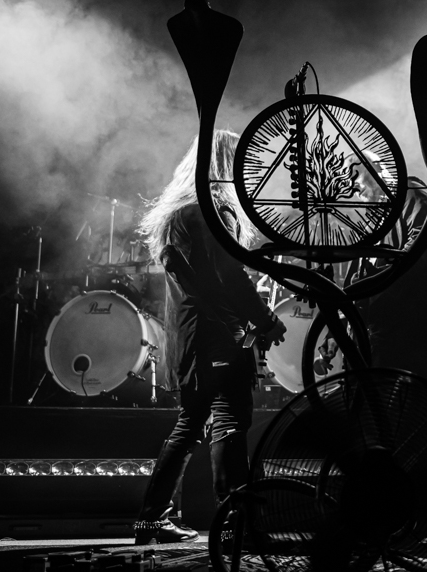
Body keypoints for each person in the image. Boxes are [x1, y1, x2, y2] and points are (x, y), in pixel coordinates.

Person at [134, 130, 287, 545]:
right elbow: (230, 278)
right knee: (230, 422)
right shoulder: (215, 210)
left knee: (189, 425)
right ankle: (237, 526)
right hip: (221, 337)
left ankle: (151, 522)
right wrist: (266, 321)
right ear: (226, 166)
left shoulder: (177, 215)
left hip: (190, 339)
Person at [344, 154, 427, 409]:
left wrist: (373, 283)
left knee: (406, 412)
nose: (351, 186)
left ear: (377, 168)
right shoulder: (375, 219)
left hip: (409, 337)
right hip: (382, 338)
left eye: (354, 174)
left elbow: (420, 250)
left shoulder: (410, 192)